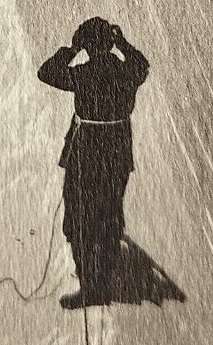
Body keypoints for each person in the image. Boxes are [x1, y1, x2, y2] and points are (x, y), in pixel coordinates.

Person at [37, 18, 151, 309]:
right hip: (117, 150)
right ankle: (106, 269)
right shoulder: (128, 71)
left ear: (87, 45)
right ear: (110, 43)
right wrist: (123, 43)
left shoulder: (84, 73)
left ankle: (92, 286)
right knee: (110, 209)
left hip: (87, 151)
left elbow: (47, 73)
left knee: (79, 216)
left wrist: (72, 48)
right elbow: (142, 63)